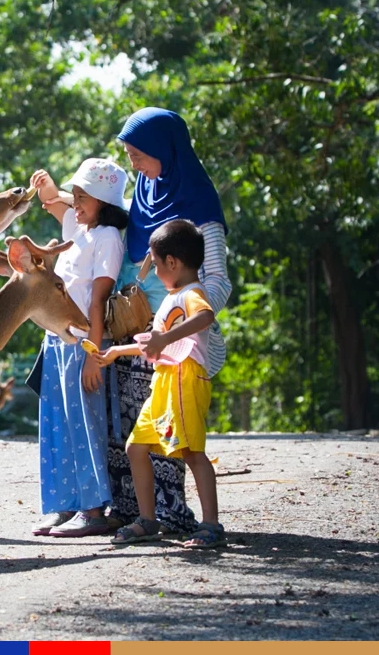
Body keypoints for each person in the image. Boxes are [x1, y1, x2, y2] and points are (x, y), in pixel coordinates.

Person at [104, 107, 232, 537]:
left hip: (178, 352)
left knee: (181, 444)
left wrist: (177, 309)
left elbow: (217, 283)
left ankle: (180, 515)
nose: (133, 164)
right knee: (135, 438)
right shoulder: (144, 193)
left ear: (165, 150)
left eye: (139, 155)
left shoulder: (198, 206)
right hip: (138, 332)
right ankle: (142, 515)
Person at [95, 220, 225, 549]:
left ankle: (211, 525)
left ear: (172, 263)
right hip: (163, 384)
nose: (153, 272)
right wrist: (116, 352)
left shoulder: (192, 294)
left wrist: (165, 336)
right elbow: (153, 344)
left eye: (154, 263)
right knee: (136, 448)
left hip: (184, 381)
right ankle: (147, 520)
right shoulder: (171, 297)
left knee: (193, 452)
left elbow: (205, 317)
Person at [27, 158, 128, 537]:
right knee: (56, 424)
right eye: (78, 194)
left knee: (86, 426)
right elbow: (56, 202)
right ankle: (63, 504)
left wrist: (93, 354)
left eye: (85, 196)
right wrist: (50, 188)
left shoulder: (107, 239)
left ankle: (94, 510)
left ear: (105, 202)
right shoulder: (77, 226)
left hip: (85, 342)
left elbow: (98, 301)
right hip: (55, 340)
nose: (77, 202)